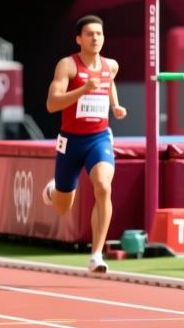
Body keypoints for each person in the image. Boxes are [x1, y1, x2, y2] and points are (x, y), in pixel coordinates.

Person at [42, 15, 127, 274]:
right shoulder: (67, 66)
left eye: (99, 34)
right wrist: (83, 90)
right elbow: (52, 104)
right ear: (79, 38)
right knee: (61, 206)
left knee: (103, 186)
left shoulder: (110, 65)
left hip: (98, 138)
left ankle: (97, 255)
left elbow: (109, 83)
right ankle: (53, 190)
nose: (95, 38)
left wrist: (115, 105)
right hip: (70, 141)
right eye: (90, 34)